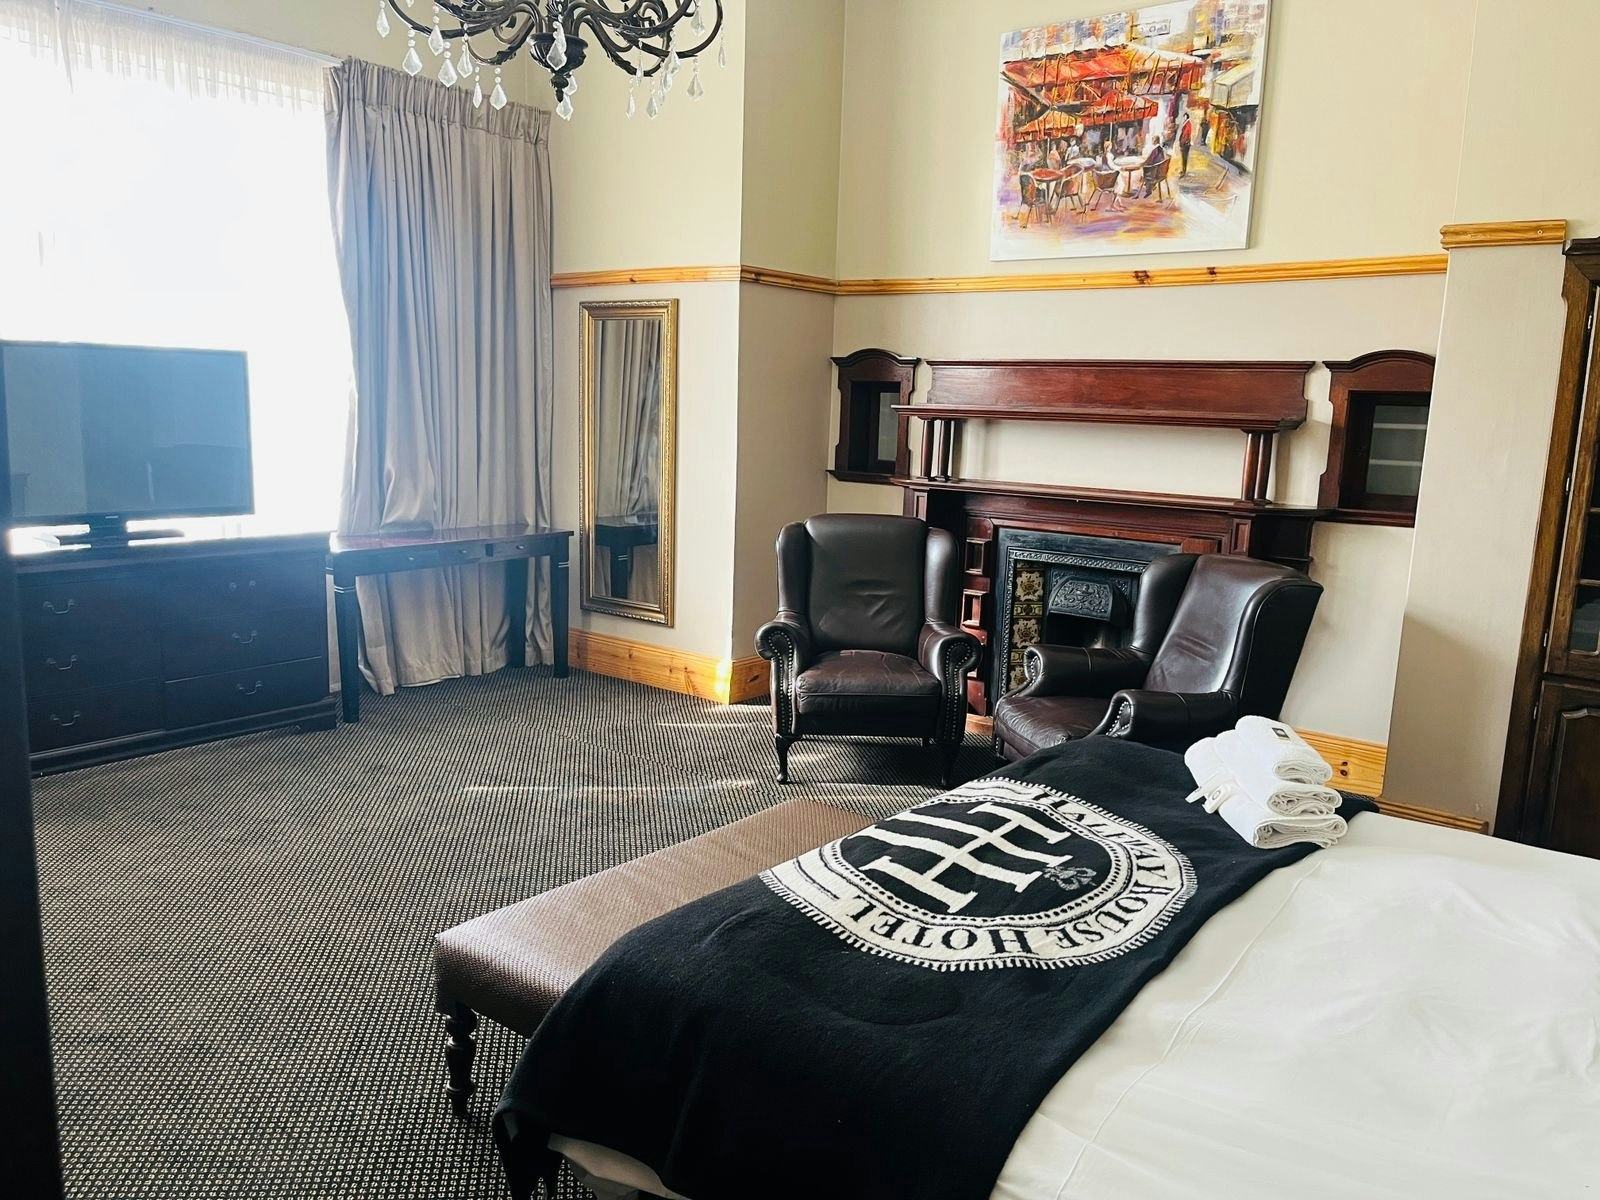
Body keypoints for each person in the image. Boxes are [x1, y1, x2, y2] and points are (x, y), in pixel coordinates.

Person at [1177, 108, 1195, 176]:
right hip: (1185, 143)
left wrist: (1181, 143)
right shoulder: (1187, 123)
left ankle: (1184, 171)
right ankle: (1183, 170)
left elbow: (1185, 134)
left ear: (1186, 117)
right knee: (1184, 157)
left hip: (1185, 144)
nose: (1183, 118)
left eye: (1184, 117)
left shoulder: (1187, 123)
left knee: (1184, 157)